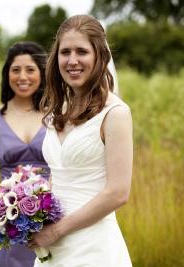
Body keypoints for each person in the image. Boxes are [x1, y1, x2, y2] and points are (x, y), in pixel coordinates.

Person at [29, 14, 133, 266]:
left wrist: (57, 231)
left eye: (82, 51)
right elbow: (58, 173)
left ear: (99, 56)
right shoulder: (57, 111)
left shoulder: (115, 114)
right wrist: (30, 210)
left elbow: (118, 193)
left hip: (93, 245)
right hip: (52, 245)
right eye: (65, 52)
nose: (72, 60)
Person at [0, 41, 50, 267]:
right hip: (9, 221)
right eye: (15, 70)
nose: (22, 76)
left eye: (30, 69)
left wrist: (44, 206)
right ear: (7, 74)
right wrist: (7, 205)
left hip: (51, 218)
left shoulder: (57, 116)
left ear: (42, 74)